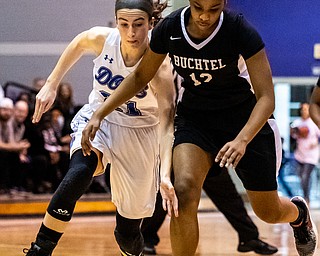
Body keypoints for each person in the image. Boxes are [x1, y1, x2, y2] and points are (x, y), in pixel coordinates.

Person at [78, 1, 318, 255]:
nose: (204, 16)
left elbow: (267, 98)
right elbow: (139, 77)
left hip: (245, 122)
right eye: (197, 7)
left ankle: (299, 214)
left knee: (268, 212)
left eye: (213, 9)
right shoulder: (171, 28)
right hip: (197, 119)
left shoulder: (240, 31)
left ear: (224, 4)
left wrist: (242, 140)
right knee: (183, 191)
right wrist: (100, 114)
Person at [24, 1, 175, 256]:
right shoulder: (103, 39)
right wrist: (51, 83)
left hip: (140, 132)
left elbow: (168, 123)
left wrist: (165, 173)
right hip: (99, 120)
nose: (131, 33)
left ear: (150, 23)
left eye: (138, 25)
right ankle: (40, 249)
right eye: (123, 24)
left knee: (127, 234)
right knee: (78, 174)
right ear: (116, 21)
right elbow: (80, 41)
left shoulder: (159, 63)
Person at [142, 164, 278, 255]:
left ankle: (249, 237)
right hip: (181, 148)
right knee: (167, 197)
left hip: (210, 150)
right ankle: (146, 238)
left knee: (229, 196)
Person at [290, 103, 320, 205]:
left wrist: (315, 142)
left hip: (311, 155)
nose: (304, 111)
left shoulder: (313, 123)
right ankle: (305, 195)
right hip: (300, 154)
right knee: (300, 176)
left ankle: (307, 199)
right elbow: (293, 136)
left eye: (306, 109)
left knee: (305, 176)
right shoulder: (297, 122)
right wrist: (295, 132)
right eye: (302, 109)